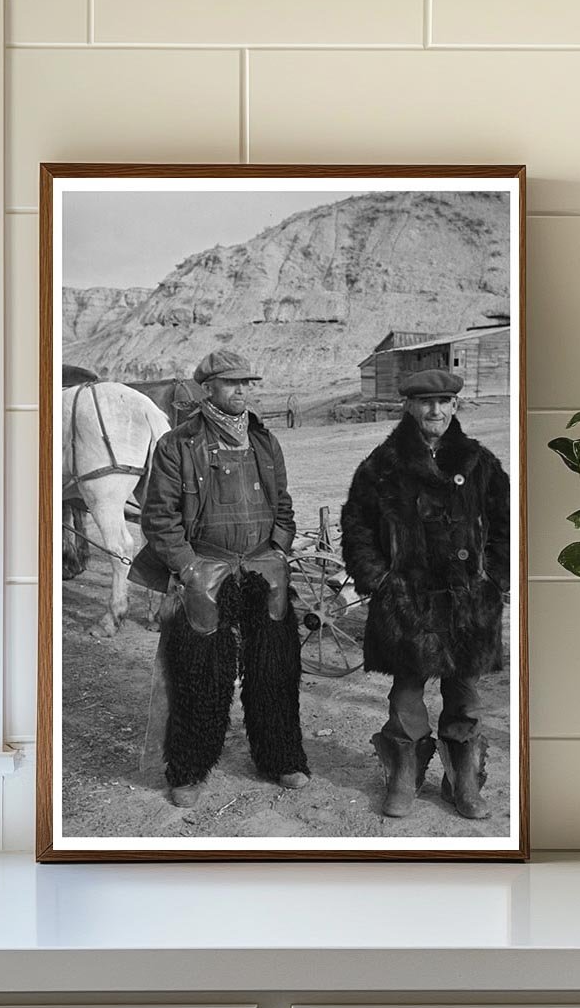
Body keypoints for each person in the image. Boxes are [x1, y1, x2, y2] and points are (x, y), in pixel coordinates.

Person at [129, 350, 310, 807]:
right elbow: (159, 517)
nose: (242, 390)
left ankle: (281, 757)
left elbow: (283, 505)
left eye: (246, 382)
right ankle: (188, 769)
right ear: (207, 387)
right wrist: (188, 568)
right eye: (232, 383)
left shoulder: (265, 441)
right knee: (200, 675)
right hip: (205, 567)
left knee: (275, 671)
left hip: (263, 565)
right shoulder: (178, 444)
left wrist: (280, 548)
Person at [340, 368, 509, 820]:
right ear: (410, 407)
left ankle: (464, 779)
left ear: (455, 406)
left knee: (465, 696)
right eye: (426, 403)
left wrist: (493, 576)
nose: (435, 411)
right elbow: (356, 525)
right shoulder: (383, 465)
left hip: (467, 601)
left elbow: (507, 525)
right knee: (406, 695)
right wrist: (378, 578)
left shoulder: (479, 463)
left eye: (444, 402)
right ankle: (403, 773)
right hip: (405, 601)